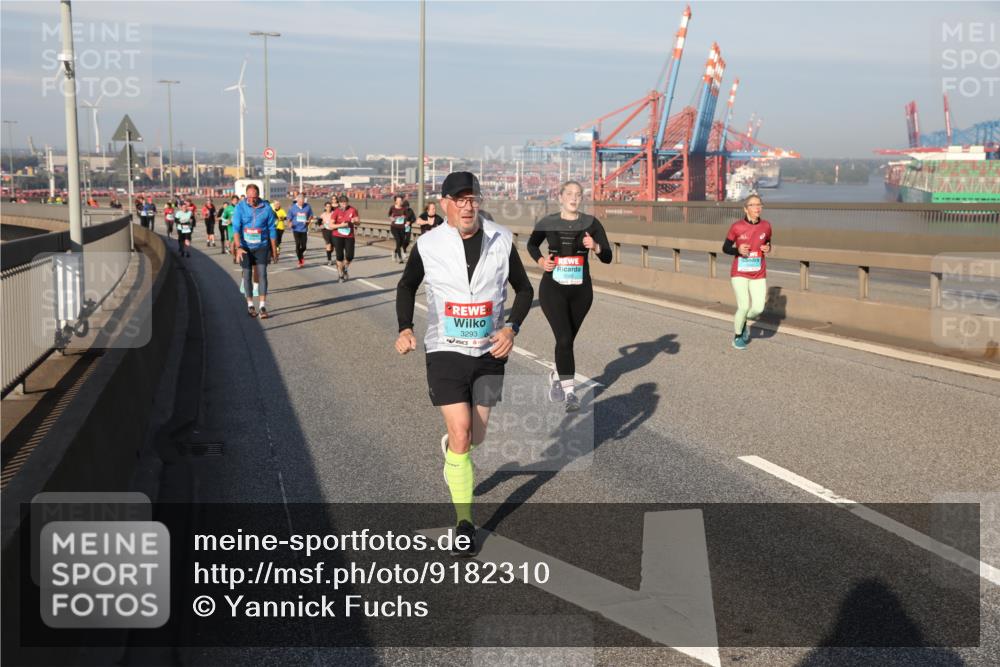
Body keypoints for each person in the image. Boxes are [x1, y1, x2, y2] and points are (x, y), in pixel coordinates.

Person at [395, 172, 533, 557]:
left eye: (472, 198)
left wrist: (512, 329)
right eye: (459, 199)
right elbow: (407, 285)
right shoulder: (428, 244)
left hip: (490, 352)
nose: (467, 205)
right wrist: (405, 328)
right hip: (445, 350)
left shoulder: (501, 240)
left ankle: (457, 452)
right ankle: (465, 523)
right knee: (461, 433)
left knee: (477, 436)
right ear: (445, 205)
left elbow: (525, 289)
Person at [527, 180, 612, 412]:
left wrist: (595, 246)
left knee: (567, 341)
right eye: (570, 194)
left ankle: (557, 373)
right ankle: (571, 393)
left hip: (581, 292)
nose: (574, 198)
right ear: (561, 197)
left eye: (578, 194)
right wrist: (542, 261)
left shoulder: (591, 223)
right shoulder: (548, 222)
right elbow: (532, 245)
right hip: (552, 288)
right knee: (564, 340)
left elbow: (608, 256)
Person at [722, 194, 772, 350]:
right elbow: (725, 248)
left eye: (759, 204)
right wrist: (738, 249)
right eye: (753, 205)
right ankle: (738, 336)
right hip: (740, 273)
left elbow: (768, 242)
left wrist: (767, 248)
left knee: (758, 309)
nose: (757, 207)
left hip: (758, 272)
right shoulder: (737, 227)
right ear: (746, 209)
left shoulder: (766, 226)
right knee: (743, 307)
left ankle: (742, 321)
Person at [232, 183, 279, 319]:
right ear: (246, 195)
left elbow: (272, 230)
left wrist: (274, 251)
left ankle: (262, 306)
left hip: (261, 246)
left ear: (258, 195)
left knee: (262, 274)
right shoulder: (240, 207)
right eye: (249, 197)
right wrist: (238, 247)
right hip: (245, 247)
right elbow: (236, 229)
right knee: (247, 275)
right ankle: (250, 305)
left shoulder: (266, 208)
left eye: (254, 197)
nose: (252, 199)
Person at [330, 194, 359, 281]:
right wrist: (341, 225)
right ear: (339, 203)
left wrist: (355, 221)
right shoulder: (336, 212)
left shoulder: (353, 210)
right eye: (342, 203)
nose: (344, 205)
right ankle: (340, 275)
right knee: (340, 256)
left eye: (345, 203)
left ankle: (344, 268)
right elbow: (331, 225)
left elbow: (358, 222)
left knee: (350, 256)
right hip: (337, 236)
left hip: (349, 236)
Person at [286, 194, 315, 268]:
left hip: (304, 229)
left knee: (304, 246)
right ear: (297, 200)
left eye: (303, 201)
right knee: (298, 244)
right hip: (295, 228)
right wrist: (289, 223)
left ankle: (300, 254)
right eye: (300, 201)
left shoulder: (307, 206)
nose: (302, 203)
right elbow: (289, 217)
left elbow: (311, 215)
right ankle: (300, 260)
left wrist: (308, 221)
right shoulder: (293, 208)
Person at [387, 194, 415, 263]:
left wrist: (408, 221)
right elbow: (389, 215)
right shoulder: (392, 207)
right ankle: (400, 257)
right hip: (394, 227)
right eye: (398, 200)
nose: (399, 202)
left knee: (405, 240)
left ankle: (395, 251)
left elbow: (411, 217)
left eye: (400, 200)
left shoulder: (407, 209)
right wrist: (392, 218)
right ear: (395, 201)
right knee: (398, 241)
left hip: (405, 227)